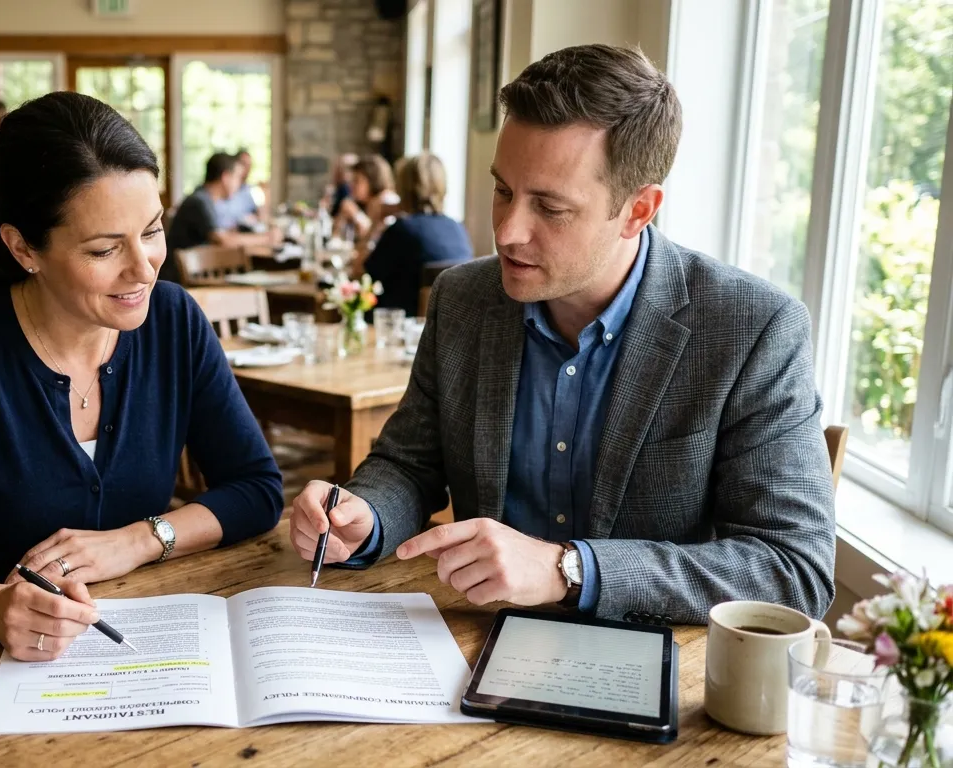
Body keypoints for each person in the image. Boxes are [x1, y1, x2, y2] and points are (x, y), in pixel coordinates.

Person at [288, 44, 837, 625]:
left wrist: (567, 570)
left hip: (652, 669)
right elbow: (409, 465)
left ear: (638, 210)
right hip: (472, 644)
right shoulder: (463, 298)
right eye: (503, 190)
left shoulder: (751, 329)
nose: (506, 231)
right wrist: (366, 515)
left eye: (549, 207)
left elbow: (792, 568)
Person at [0, 91, 284, 662]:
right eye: (103, 249)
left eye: (151, 230)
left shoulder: (173, 320)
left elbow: (257, 488)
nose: (144, 269)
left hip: (139, 652)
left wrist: (139, 540)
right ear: (24, 248)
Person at [357, 153, 472, 315]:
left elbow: (360, 275)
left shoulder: (402, 229)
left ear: (403, 188)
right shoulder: (457, 227)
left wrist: (375, 223)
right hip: (449, 327)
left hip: (399, 325)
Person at [162, 153, 278, 284]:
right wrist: (267, 238)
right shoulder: (199, 202)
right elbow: (223, 240)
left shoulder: (209, 200)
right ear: (226, 177)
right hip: (182, 281)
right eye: (237, 178)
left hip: (198, 276)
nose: (239, 184)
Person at [332, 154, 398, 245]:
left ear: (372, 180)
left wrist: (356, 215)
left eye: (356, 181)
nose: (351, 186)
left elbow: (375, 242)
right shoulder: (372, 202)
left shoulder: (387, 201)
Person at [213, 148, 260, 230]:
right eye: (243, 164)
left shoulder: (248, 190)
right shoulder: (220, 193)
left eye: (249, 165)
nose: (247, 169)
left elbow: (257, 216)